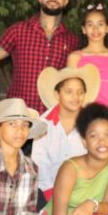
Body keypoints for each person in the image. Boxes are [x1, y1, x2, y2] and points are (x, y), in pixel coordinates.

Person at [0, 0, 80, 113]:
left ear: (65, 1)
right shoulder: (18, 30)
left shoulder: (72, 40)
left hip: (52, 115)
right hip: (19, 114)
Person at [31, 64, 100, 201]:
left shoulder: (92, 123)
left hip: (85, 191)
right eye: (69, 92)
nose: (75, 97)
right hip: (49, 191)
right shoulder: (44, 123)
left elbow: (97, 161)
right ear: (57, 94)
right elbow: (39, 162)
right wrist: (51, 194)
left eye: (80, 92)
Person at [67, 4, 108, 140]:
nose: (95, 29)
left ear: (107, 28)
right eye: (90, 25)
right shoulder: (75, 58)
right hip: (83, 114)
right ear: (84, 29)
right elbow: (69, 94)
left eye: (100, 24)